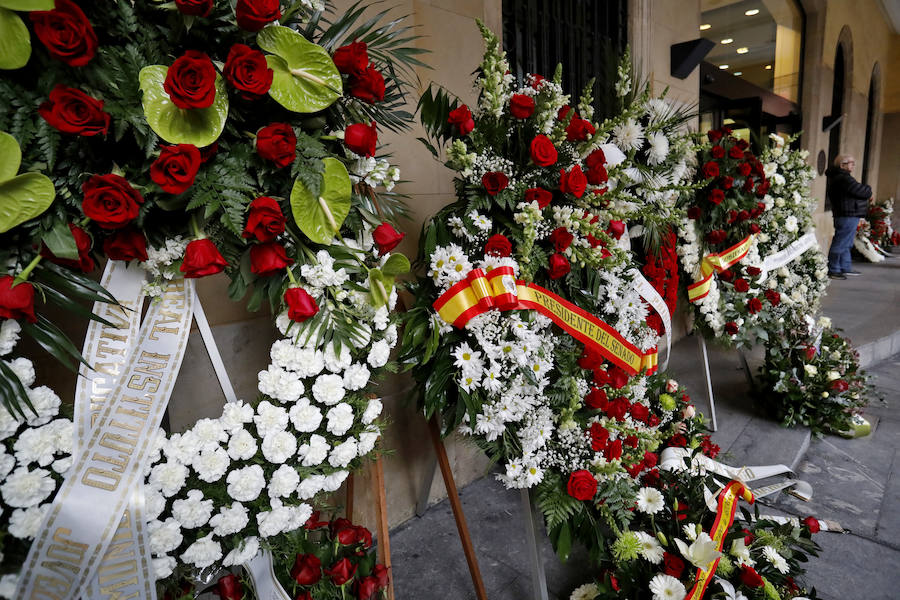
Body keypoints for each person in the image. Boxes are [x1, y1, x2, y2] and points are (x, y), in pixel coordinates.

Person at [825, 154, 872, 279]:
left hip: (848, 214)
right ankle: (833, 269)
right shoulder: (843, 178)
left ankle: (845, 267)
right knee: (841, 243)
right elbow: (863, 191)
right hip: (846, 215)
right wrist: (868, 188)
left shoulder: (842, 177)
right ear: (842, 165)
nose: (853, 165)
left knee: (846, 243)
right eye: (851, 162)